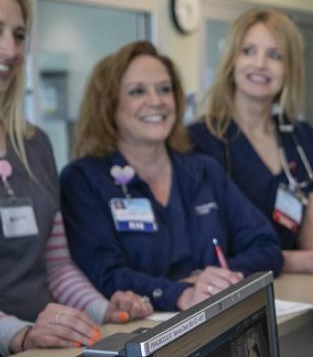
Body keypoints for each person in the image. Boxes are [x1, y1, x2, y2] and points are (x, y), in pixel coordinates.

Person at [61, 41, 283, 312]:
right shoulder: (83, 180)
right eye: (137, 91)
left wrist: (211, 280)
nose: (156, 101)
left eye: (165, 89)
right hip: (140, 332)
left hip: (216, 317)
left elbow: (267, 247)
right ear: (109, 104)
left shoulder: (203, 170)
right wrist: (179, 293)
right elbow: (106, 274)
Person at [0, 0, 151, 357]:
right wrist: (15, 333)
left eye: (18, 35)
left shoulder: (34, 144)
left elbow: (57, 267)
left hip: (43, 351)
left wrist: (103, 310)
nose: (10, 50)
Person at [190, 9, 313, 274]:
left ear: (289, 68)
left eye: (274, 55)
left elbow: (311, 233)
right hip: (236, 288)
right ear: (231, 61)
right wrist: (310, 261)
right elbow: (216, 249)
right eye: (248, 51)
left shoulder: (300, 137)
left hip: (295, 285)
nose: (260, 64)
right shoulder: (201, 140)